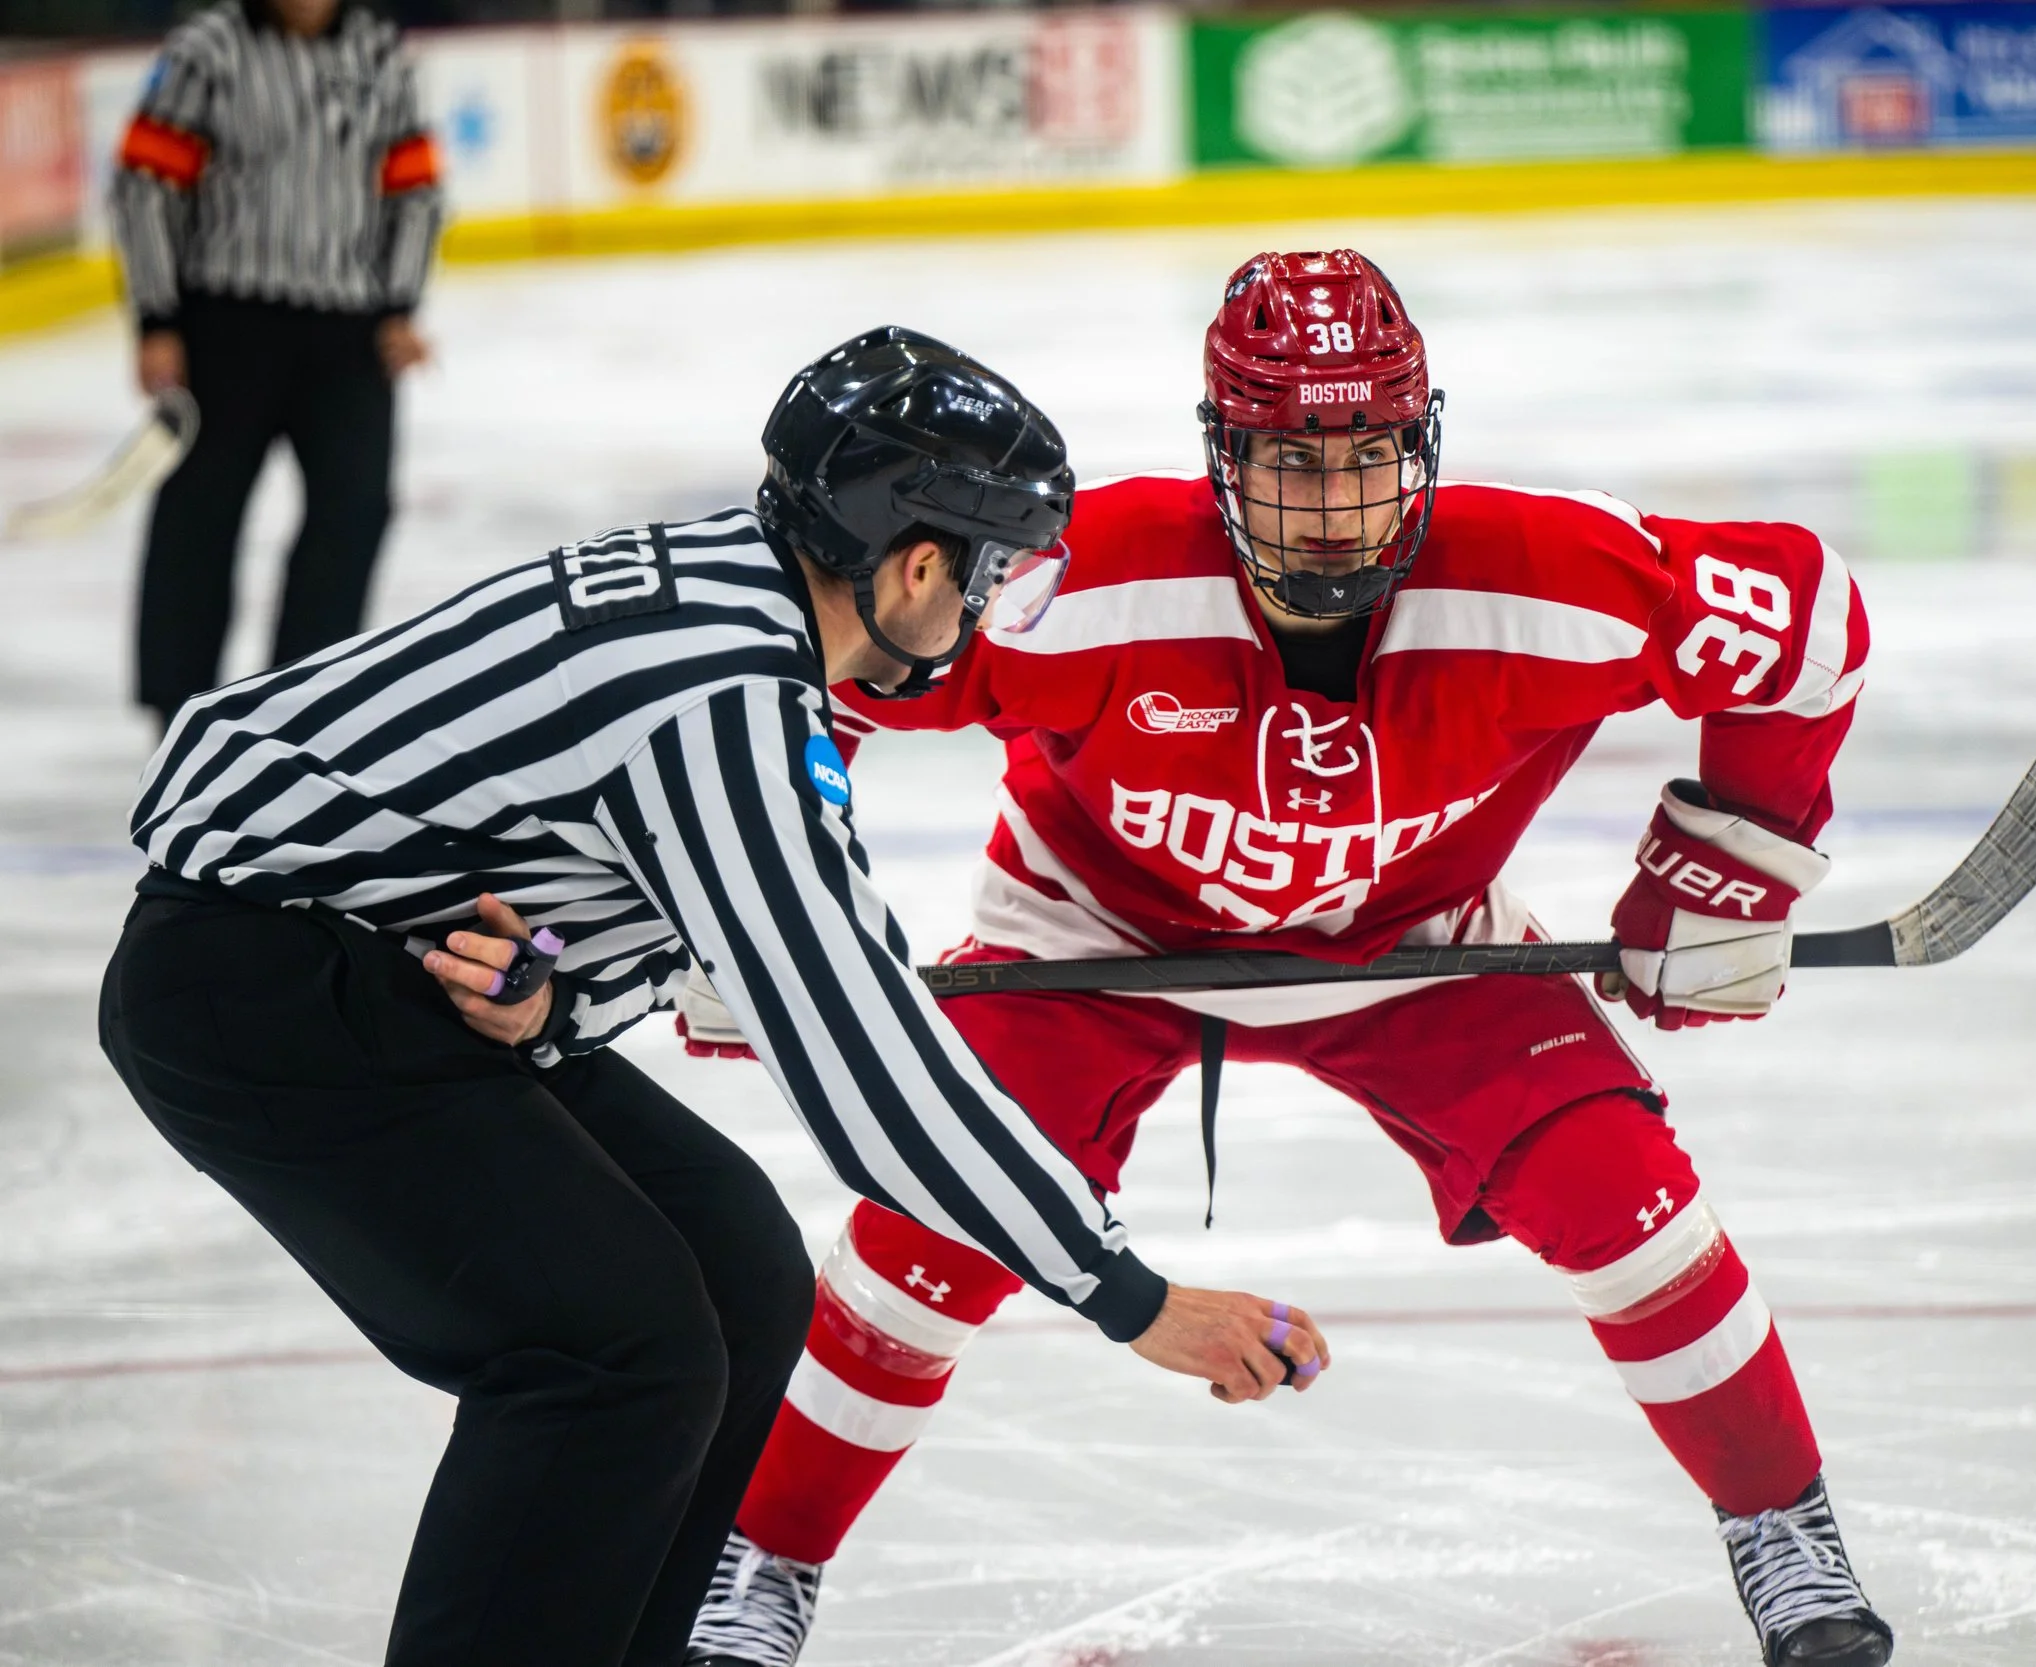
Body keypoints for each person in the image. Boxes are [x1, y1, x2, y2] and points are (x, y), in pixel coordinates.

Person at [682, 253, 1891, 1667]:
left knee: (1625, 1199)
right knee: (926, 1234)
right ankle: (762, 1564)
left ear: (1419, 444)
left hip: (1415, 941)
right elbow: (797, 674)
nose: (1335, 500)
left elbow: (1809, 623)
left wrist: (1731, 857)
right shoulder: (1082, 582)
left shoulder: (1548, 575)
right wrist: (732, 899)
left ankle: (1784, 1528)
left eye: (1370, 452)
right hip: (1094, 937)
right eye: (1290, 457)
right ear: (1221, 455)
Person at [96, 328, 1326, 1667]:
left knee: (739, 1272)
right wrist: (1128, 1293)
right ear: (915, 560)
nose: (981, 612)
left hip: (362, 963)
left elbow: (530, 826)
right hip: (249, 988)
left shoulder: (731, 592)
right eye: (988, 574)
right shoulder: (726, 694)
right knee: (614, 1351)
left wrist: (541, 987)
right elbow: (871, 1070)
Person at [108, 0, 443, 732]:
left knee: (354, 513)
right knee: (200, 515)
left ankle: (303, 709)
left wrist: (399, 305)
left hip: (349, 332)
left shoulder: (378, 52)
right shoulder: (209, 50)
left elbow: (413, 186)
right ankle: (178, 708)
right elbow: (145, 184)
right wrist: (157, 318)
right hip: (227, 323)